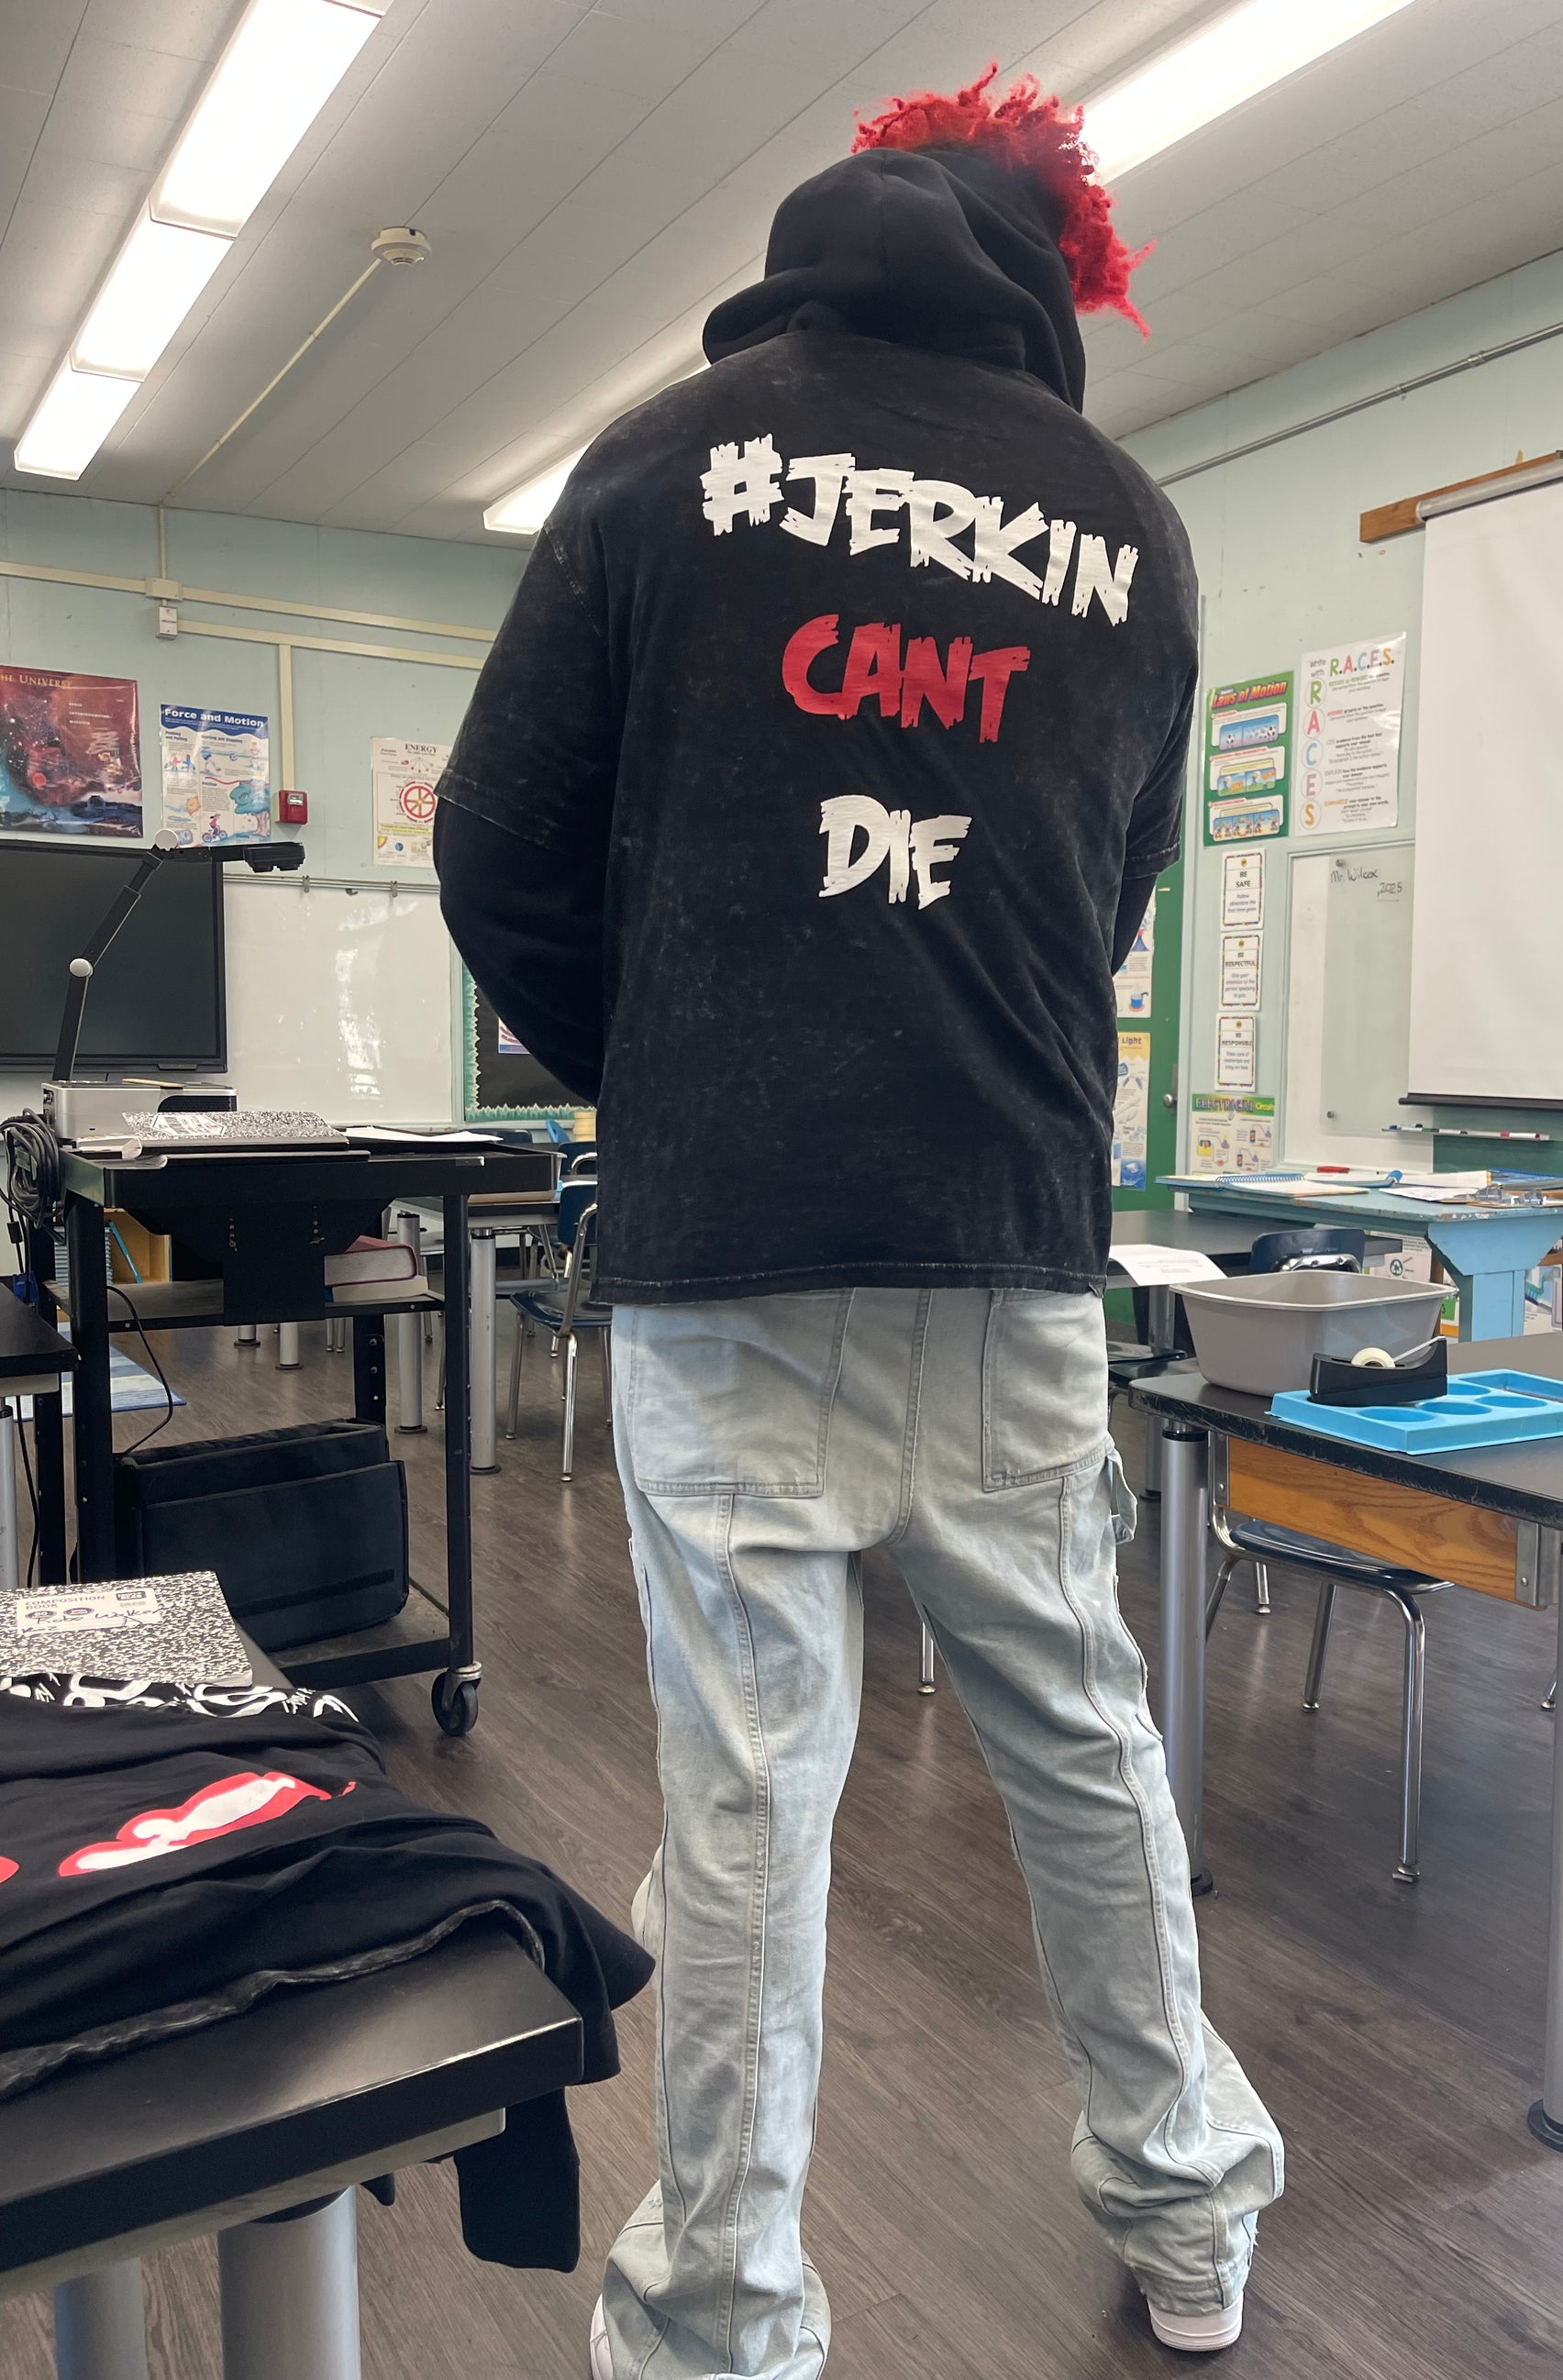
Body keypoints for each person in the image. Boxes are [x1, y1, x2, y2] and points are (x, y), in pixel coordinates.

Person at [436, 69, 1283, 2380]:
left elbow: (495, 843)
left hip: (729, 1238)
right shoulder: (1127, 523)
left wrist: (666, 1061)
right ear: (1050, 283)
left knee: (743, 1797)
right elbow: (1103, 891)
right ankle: (1189, 2207)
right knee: (1083, 1741)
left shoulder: (661, 461)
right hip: (1003, 1225)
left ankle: (722, 2315)